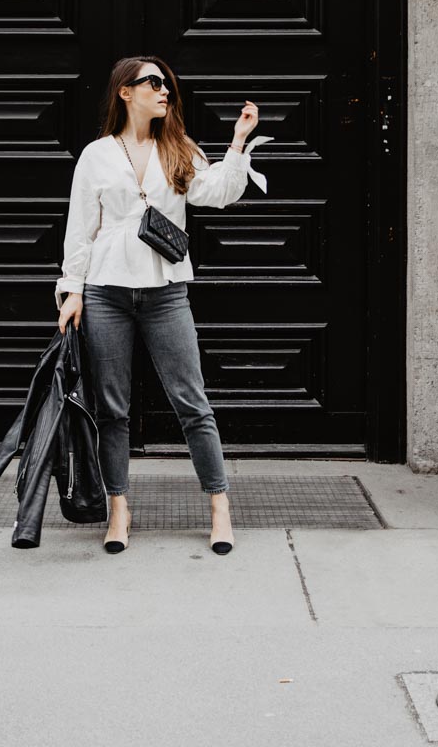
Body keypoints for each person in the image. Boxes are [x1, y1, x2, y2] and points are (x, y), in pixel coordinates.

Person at [54, 55, 266, 555]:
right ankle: (119, 508)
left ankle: (219, 505)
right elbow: (80, 229)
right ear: (126, 92)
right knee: (112, 408)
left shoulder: (178, 148)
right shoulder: (97, 155)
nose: (164, 89)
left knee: (191, 401)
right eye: (152, 82)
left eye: (166, 83)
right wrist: (73, 290)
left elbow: (218, 194)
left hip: (166, 292)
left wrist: (237, 142)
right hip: (106, 292)